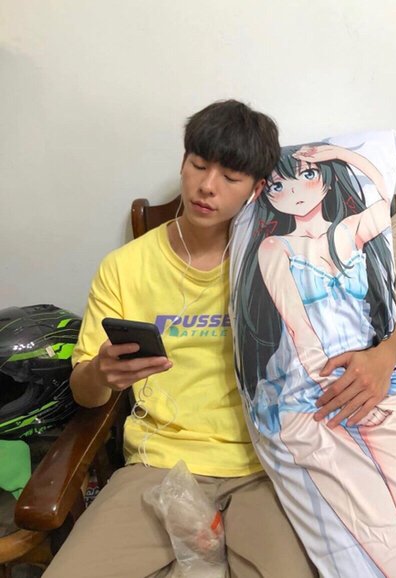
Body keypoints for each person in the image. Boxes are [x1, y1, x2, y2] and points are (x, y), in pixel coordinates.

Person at [43, 99, 319, 578]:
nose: (207, 186)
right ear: (183, 162)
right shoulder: (125, 267)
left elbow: (375, 314)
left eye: (230, 177)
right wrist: (101, 373)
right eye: (198, 165)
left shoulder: (280, 263)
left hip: (263, 468)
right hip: (157, 464)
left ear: (256, 189)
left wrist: (383, 355)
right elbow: (86, 395)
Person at [232, 142, 396, 577]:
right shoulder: (274, 249)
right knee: (380, 541)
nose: (295, 191)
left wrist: (339, 154)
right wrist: (330, 390)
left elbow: (379, 196)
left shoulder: (349, 232)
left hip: (378, 378)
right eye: (277, 186)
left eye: (308, 175)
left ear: (328, 180)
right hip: (310, 393)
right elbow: (299, 331)